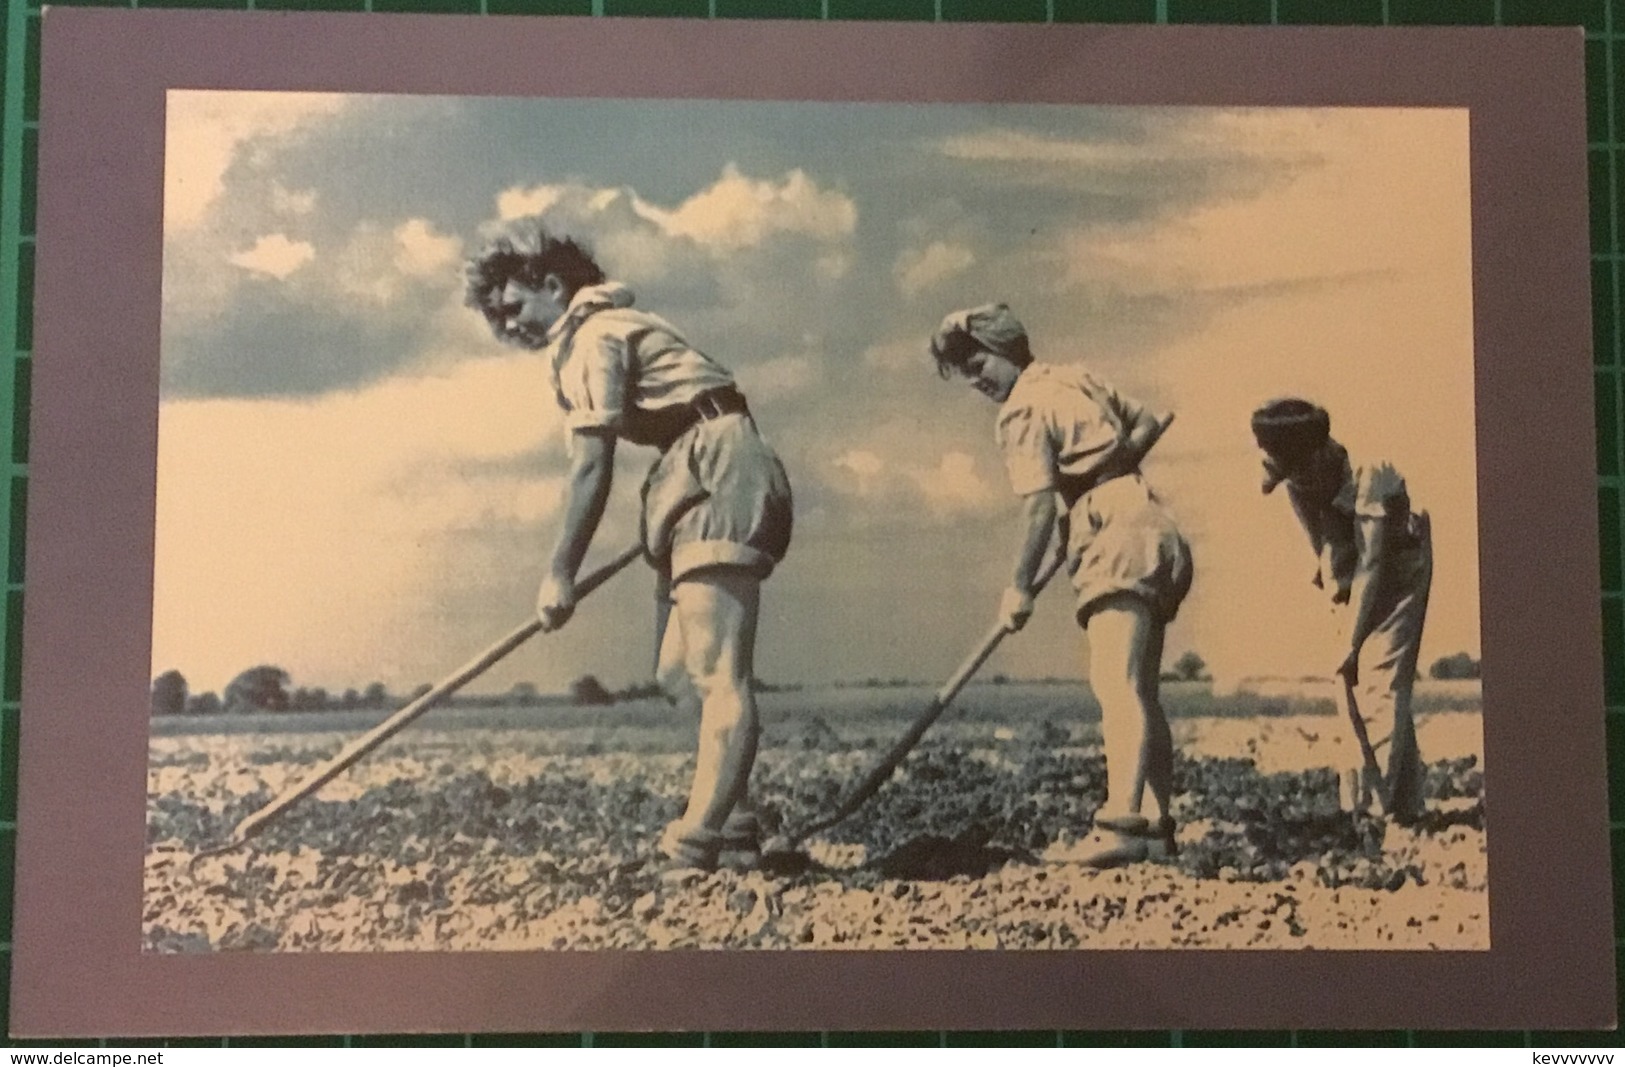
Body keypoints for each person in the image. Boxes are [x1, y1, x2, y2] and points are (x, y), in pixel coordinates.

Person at [465, 226, 793, 872]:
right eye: (498, 320)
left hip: (716, 461)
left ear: (553, 285)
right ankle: (736, 820)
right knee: (676, 674)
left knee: (716, 670)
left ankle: (696, 838)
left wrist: (559, 571)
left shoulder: (594, 337)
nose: (511, 327)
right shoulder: (591, 338)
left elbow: (591, 465)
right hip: (684, 465)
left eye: (514, 307)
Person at [929, 303, 1193, 867]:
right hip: (1152, 521)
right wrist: (1101, 474)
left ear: (1005, 349)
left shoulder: (1021, 410)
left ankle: (1121, 823)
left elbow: (1037, 512)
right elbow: (1145, 423)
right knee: (1139, 689)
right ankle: (1156, 827)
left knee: (1115, 684)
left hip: (1112, 532)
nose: (977, 381)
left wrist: (1018, 586)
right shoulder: (1075, 377)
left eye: (978, 364)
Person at [1249, 398, 1432, 824]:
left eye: (1302, 468)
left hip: (1400, 562)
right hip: (1350, 557)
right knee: (1348, 689)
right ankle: (1401, 807)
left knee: (1380, 681)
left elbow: (1373, 563)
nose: (1299, 477)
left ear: (1320, 451)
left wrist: (1352, 643)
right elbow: (1315, 529)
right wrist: (1329, 578)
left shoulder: (1370, 468)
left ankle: (1375, 815)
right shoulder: (1287, 468)